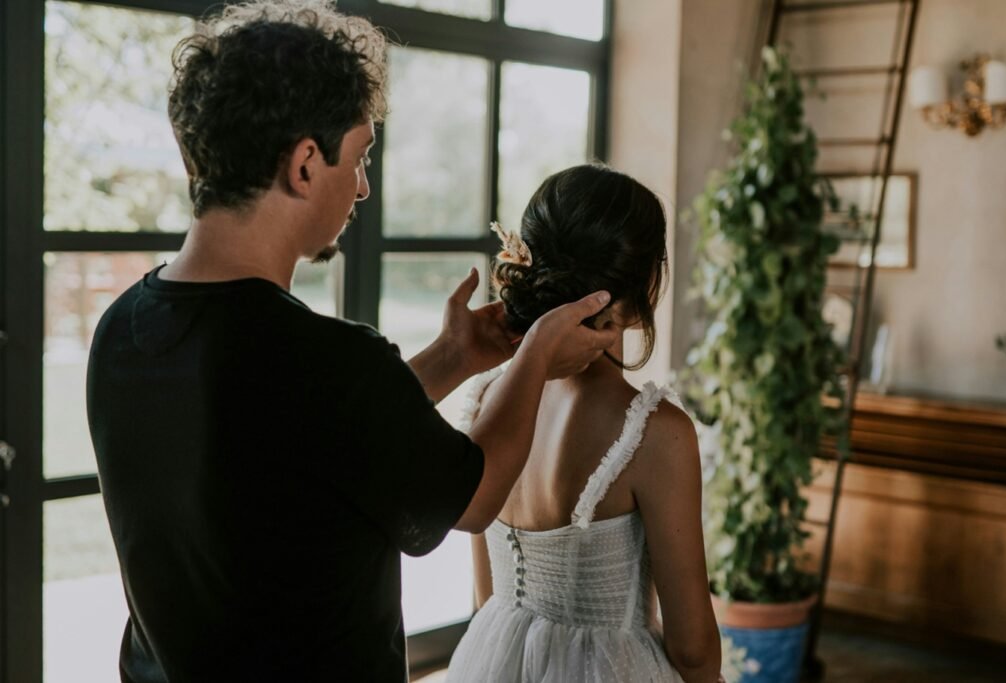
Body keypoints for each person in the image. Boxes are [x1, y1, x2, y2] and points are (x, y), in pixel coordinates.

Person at [85, 2, 617, 682]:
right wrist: (538, 352)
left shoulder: (122, 328)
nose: (363, 186)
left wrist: (455, 358)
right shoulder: (327, 361)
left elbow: (298, 440)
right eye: (361, 155)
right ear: (305, 163)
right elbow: (476, 496)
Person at [446, 164, 725, 682]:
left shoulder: (485, 400)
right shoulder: (655, 432)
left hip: (490, 660)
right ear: (644, 284)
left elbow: (486, 597)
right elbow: (692, 649)